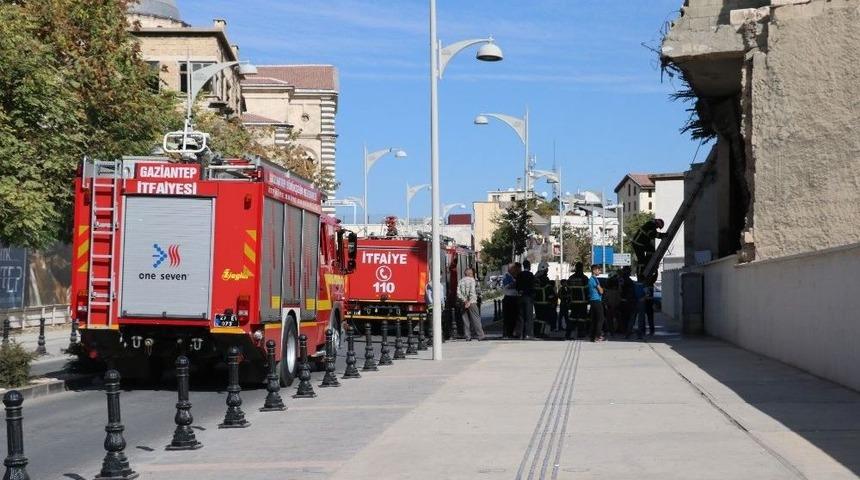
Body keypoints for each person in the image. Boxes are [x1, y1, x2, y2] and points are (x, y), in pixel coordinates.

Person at [457, 268, 485, 341]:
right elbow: (472, 292)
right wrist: (469, 302)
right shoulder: (472, 280)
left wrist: (465, 301)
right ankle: (480, 335)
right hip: (472, 302)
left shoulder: (460, 281)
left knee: (465, 320)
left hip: (463, 303)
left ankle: (467, 336)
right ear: (470, 274)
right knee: (476, 319)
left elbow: (458, 293)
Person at [566, 262, 589, 340]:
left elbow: (568, 290)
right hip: (582, 302)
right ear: (582, 268)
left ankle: (568, 333)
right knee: (582, 318)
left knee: (572, 317)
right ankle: (581, 333)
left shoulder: (571, 278)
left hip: (573, 302)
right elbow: (587, 290)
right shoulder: (584, 278)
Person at [517, 259, 536, 339]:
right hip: (528, 297)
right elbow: (533, 286)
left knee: (521, 316)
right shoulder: (531, 275)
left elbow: (517, 286)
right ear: (529, 266)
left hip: (521, 297)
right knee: (529, 316)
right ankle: (528, 334)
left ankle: (520, 334)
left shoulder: (519, 275)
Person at [501, 262, 521, 339]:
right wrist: (515, 283)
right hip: (509, 298)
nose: (515, 270)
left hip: (515, 298)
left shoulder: (514, 276)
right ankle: (506, 334)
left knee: (514, 317)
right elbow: (506, 286)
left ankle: (511, 333)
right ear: (510, 269)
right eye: (514, 268)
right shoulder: (506, 276)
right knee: (508, 317)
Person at [588, 264, 606, 342]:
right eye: (598, 270)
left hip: (592, 300)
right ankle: (598, 336)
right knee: (601, 319)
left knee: (594, 319)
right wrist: (602, 289)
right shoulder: (594, 279)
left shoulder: (591, 279)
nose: (600, 271)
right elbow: (601, 291)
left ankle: (592, 336)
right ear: (594, 270)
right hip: (597, 300)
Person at [618, 266, 636, 338]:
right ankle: (627, 331)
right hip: (627, 301)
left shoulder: (622, 279)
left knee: (625, 317)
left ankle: (626, 331)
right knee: (627, 317)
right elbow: (621, 289)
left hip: (625, 301)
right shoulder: (626, 280)